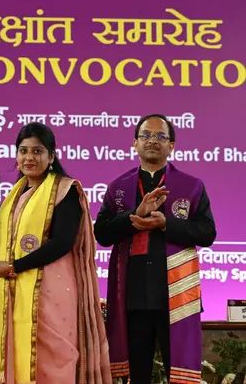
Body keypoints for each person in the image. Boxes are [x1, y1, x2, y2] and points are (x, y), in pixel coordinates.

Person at [0, 122, 112, 384]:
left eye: (38, 151)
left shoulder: (66, 191)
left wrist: (13, 266)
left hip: (51, 293)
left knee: (54, 359)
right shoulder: (15, 196)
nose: (29, 158)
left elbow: (62, 242)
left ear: (51, 156)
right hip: (15, 290)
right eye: (23, 151)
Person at [94, 114, 216, 384]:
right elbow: (101, 234)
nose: (152, 141)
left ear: (171, 145)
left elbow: (207, 233)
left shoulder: (192, 186)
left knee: (178, 373)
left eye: (160, 136)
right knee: (137, 376)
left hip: (174, 295)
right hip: (133, 295)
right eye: (146, 135)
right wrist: (132, 217)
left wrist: (166, 224)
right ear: (134, 143)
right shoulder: (118, 188)